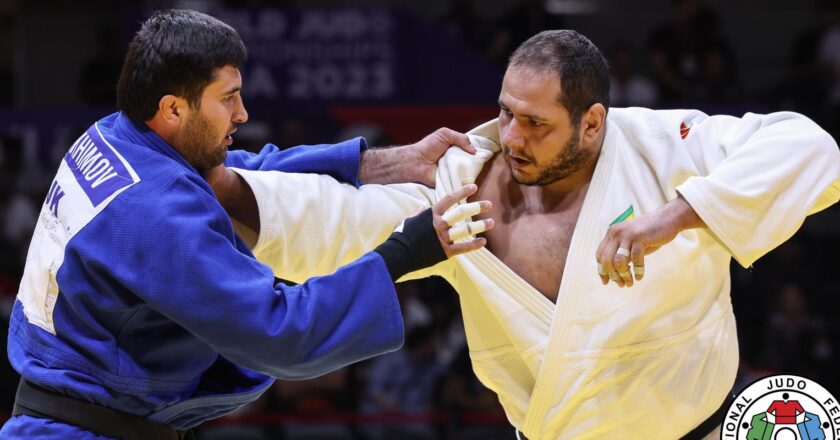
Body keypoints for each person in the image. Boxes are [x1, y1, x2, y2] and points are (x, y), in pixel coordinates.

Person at [212, 29, 840, 438]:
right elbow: (329, 217)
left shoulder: (666, 148)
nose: (511, 136)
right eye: (506, 112)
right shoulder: (464, 188)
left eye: (535, 122)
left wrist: (677, 213)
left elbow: (811, 147)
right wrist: (211, 182)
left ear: (591, 123)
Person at [0, 9, 496, 440]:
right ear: (173, 108)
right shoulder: (156, 213)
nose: (243, 113)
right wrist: (404, 253)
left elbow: (239, 168)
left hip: (67, 412)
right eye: (228, 98)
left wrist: (385, 163)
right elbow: (282, 333)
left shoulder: (114, 137)